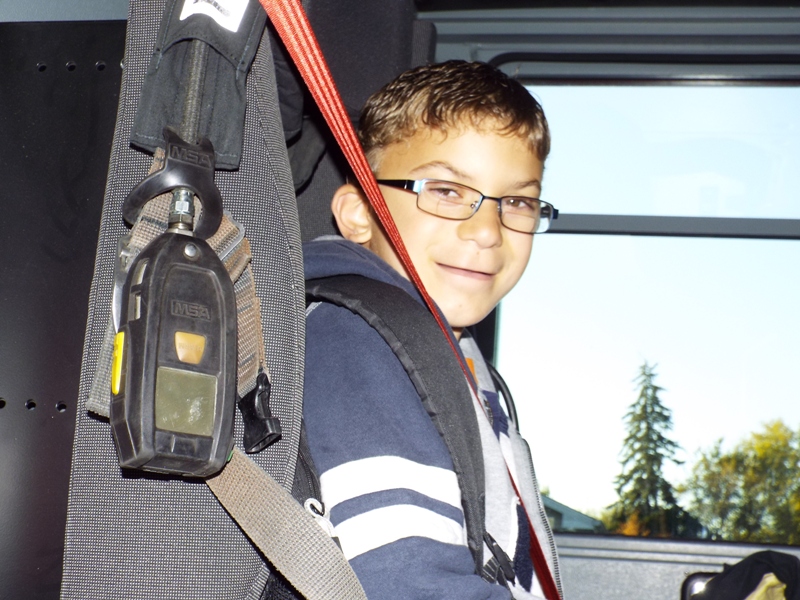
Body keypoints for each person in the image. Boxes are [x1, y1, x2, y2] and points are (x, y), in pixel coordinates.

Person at [302, 60, 561, 599]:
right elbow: (409, 584)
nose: (487, 231)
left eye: (517, 202)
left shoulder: (456, 355)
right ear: (359, 214)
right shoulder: (355, 341)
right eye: (445, 190)